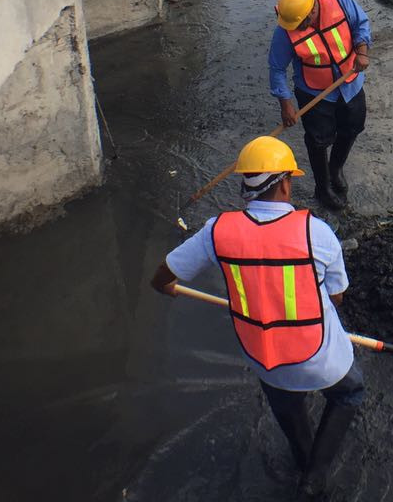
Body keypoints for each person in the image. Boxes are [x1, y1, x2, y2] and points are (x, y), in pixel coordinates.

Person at [150, 136, 363, 498]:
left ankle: (304, 460)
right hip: (318, 355)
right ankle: (315, 478)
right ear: (285, 183)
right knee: (349, 391)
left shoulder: (217, 231)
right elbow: (337, 296)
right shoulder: (316, 232)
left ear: (246, 184)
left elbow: (162, 276)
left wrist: (167, 288)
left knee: (287, 404)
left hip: (264, 356)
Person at [269, 0, 371, 211]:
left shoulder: (339, 0)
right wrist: (285, 104)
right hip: (314, 92)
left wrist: (362, 52)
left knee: (352, 128)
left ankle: (336, 169)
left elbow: (360, 24)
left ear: (312, 12)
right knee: (317, 141)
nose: (296, 29)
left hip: (350, 82)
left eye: (300, 25)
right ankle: (322, 187)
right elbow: (276, 68)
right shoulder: (285, 28)